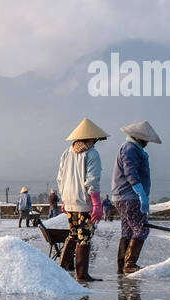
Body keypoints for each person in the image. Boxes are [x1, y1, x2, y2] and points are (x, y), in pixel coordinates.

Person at [55, 117, 108, 283]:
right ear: (92, 138)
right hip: (85, 203)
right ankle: (82, 274)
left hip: (70, 202)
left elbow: (60, 179)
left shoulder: (67, 152)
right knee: (84, 236)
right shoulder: (92, 154)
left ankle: (60, 269)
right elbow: (92, 180)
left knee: (72, 234)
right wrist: (96, 204)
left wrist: (64, 199)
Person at [112, 120, 161, 274]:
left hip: (124, 197)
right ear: (138, 137)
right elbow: (130, 172)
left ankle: (122, 265)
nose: (147, 142)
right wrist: (140, 192)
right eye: (145, 139)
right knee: (141, 230)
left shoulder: (132, 148)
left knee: (127, 231)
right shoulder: (130, 148)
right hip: (129, 196)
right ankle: (129, 264)